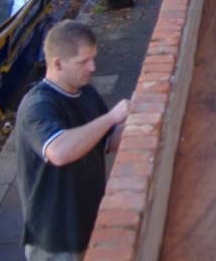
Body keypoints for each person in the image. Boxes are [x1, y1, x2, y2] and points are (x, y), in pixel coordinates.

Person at [15, 20, 130, 260]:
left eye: (93, 58)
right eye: (83, 62)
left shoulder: (85, 91)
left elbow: (109, 141)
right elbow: (59, 152)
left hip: (88, 225)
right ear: (57, 63)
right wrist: (110, 118)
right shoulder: (37, 107)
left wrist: (139, 118)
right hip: (57, 242)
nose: (92, 67)